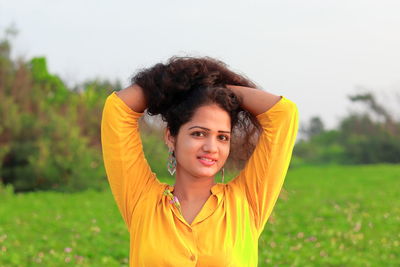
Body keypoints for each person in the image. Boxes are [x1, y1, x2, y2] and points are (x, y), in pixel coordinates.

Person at [100, 56, 299, 266]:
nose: (211, 148)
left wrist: (218, 89)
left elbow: (283, 114)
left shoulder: (247, 201)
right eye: (198, 134)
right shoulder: (141, 200)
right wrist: (178, 82)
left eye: (222, 137)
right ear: (171, 136)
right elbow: (118, 109)